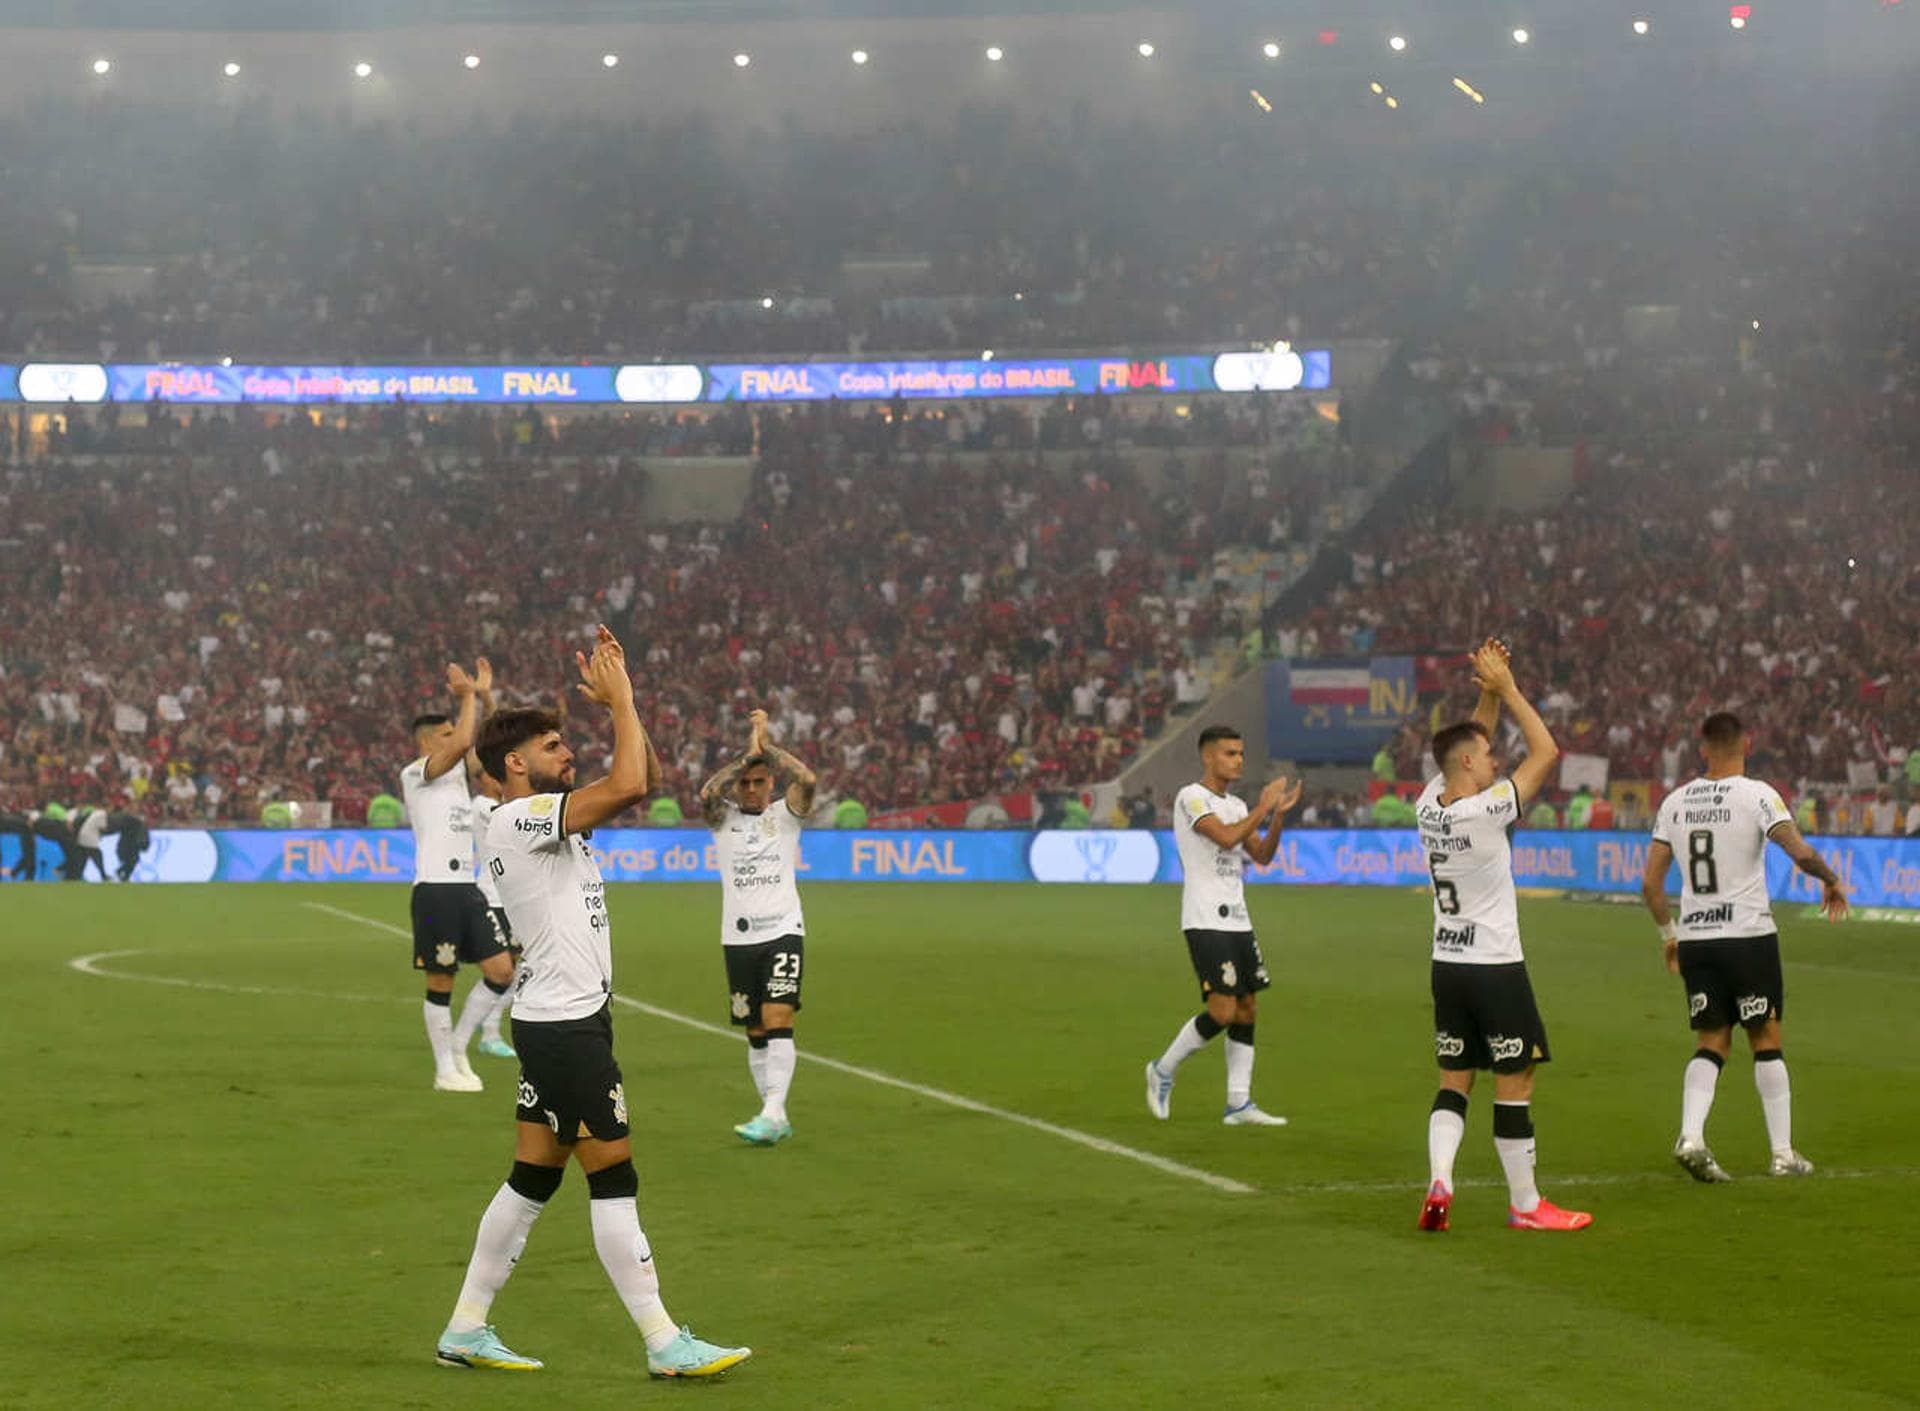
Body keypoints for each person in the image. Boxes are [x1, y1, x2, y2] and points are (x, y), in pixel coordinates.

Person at [436, 624, 750, 1379]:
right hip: (567, 1025)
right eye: (552, 747)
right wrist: (623, 701)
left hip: (560, 1019)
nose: (567, 754)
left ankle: (465, 1326)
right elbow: (632, 783)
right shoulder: (518, 818)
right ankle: (662, 1339)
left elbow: (638, 772)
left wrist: (623, 700)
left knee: (534, 1173)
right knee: (612, 1173)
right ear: (514, 763)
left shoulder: (546, 821)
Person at [1416, 642, 1591, 1233]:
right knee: (1515, 1083)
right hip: (1496, 966)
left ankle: (1441, 1176)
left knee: (1453, 1082)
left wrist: (1484, 692)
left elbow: (1469, 742)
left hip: (1448, 965)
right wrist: (1511, 687)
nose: (1494, 761)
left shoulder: (1427, 806)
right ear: (1469, 765)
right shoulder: (1488, 811)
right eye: (1487, 757)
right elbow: (1547, 750)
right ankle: (1526, 1204)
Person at [1641, 711, 1848, 1182]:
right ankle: (1782, 1153)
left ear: (1702, 748)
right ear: (1746, 744)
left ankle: (1691, 1136)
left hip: (1696, 939)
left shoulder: (1674, 802)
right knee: (1765, 1037)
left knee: (1711, 1041)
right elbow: (1799, 852)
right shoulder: (1758, 795)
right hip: (1748, 937)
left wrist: (1668, 936)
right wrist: (1832, 880)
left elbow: (1651, 886)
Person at [1144, 724, 1300, 1126]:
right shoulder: (1191, 797)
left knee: (1247, 1007)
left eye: (1241, 753)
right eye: (1230, 753)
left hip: (1238, 919)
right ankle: (1162, 1069)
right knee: (1223, 1009)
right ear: (1208, 756)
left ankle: (1238, 1103)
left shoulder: (1235, 805)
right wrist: (1263, 807)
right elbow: (1226, 839)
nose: (1238, 760)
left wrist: (1277, 816)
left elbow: (1262, 854)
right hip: (1205, 918)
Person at [700, 708, 818, 1146]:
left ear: (770, 784)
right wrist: (744, 755)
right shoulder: (723, 820)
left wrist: (766, 749)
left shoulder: (786, 816)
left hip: (784, 930)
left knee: (777, 1017)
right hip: (737, 937)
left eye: (759, 781)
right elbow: (706, 792)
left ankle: (771, 1111)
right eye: (745, 784)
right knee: (754, 1032)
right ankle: (774, 1112)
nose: (751, 789)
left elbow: (807, 781)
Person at [401, 658, 513, 1093]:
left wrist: (484, 696)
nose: (458, 741)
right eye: (447, 736)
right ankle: (444, 1067)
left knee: (502, 971)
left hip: (467, 889)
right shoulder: (417, 774)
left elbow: (491, 739)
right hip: (435, 892)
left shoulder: (459, 778)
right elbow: (467, 737)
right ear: (429, 742)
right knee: (441, 981)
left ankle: (462, 1047)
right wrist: (466, 696)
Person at [458, 759, 518, 1062]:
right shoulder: (482, 804)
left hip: (512, 899)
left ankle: (491, 1032)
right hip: (492, 897)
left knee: (519, 973)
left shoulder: (500, 803)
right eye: (497, 776)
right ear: (483, 779)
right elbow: (513, 823)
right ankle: (477, 1037)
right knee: (504, 973)